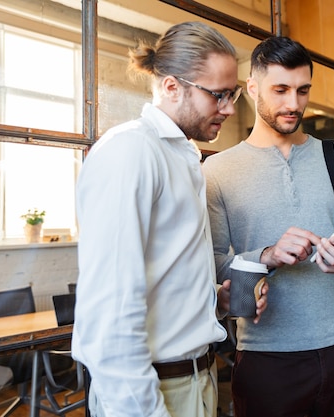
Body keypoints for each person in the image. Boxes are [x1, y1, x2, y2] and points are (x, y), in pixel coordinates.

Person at [72, 21, 267, 417]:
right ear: (171, 87)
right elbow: (109, 316)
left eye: (231, 94)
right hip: (152, 392)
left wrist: (214, 300)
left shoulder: (184, 157)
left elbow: (165, 278)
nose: (230, 108)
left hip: (197, 381)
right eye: (219, 95)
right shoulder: (131, 152)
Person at [203, 36, 334, 417]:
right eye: (281, 90)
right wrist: (265, 256)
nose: (293, 104)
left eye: (303, 91)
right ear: (252, 88)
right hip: (267, 359)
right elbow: (215, 265)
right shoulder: (216, 171)